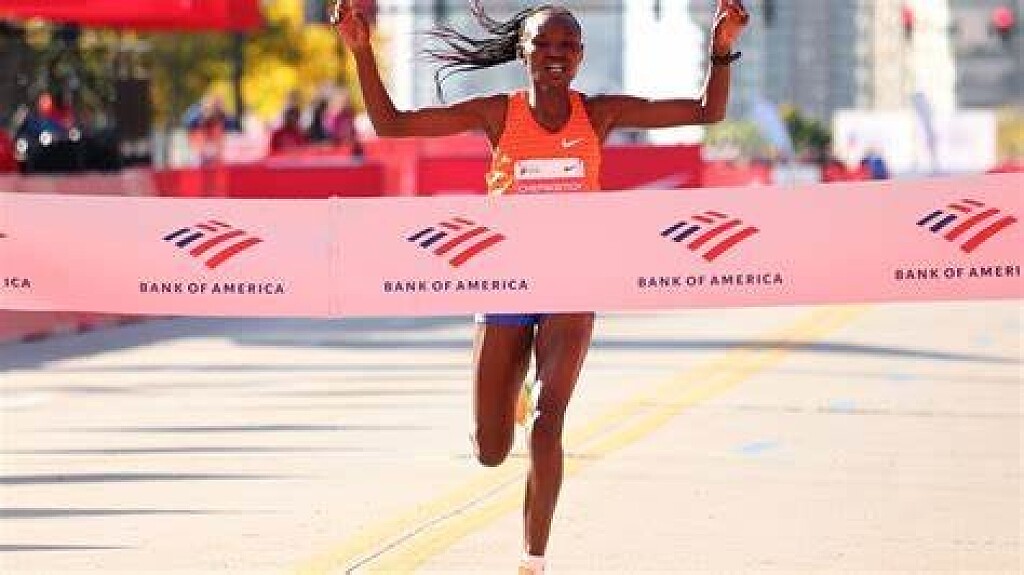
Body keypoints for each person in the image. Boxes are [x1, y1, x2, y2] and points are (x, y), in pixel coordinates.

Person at [334, 1, 748, 572]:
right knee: (491, 450)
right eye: (544, 44)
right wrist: (361, 51)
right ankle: (516, 398)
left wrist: (721, 49)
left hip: (571, 284)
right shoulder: (497, 114)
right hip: (506, 283)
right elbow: (392, 125)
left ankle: (533, 561)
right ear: (522, 52)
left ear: (581, 56)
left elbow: (707, 111)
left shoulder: (597, 114)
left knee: (548, 425)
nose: (556, 54)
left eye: (567, 45)